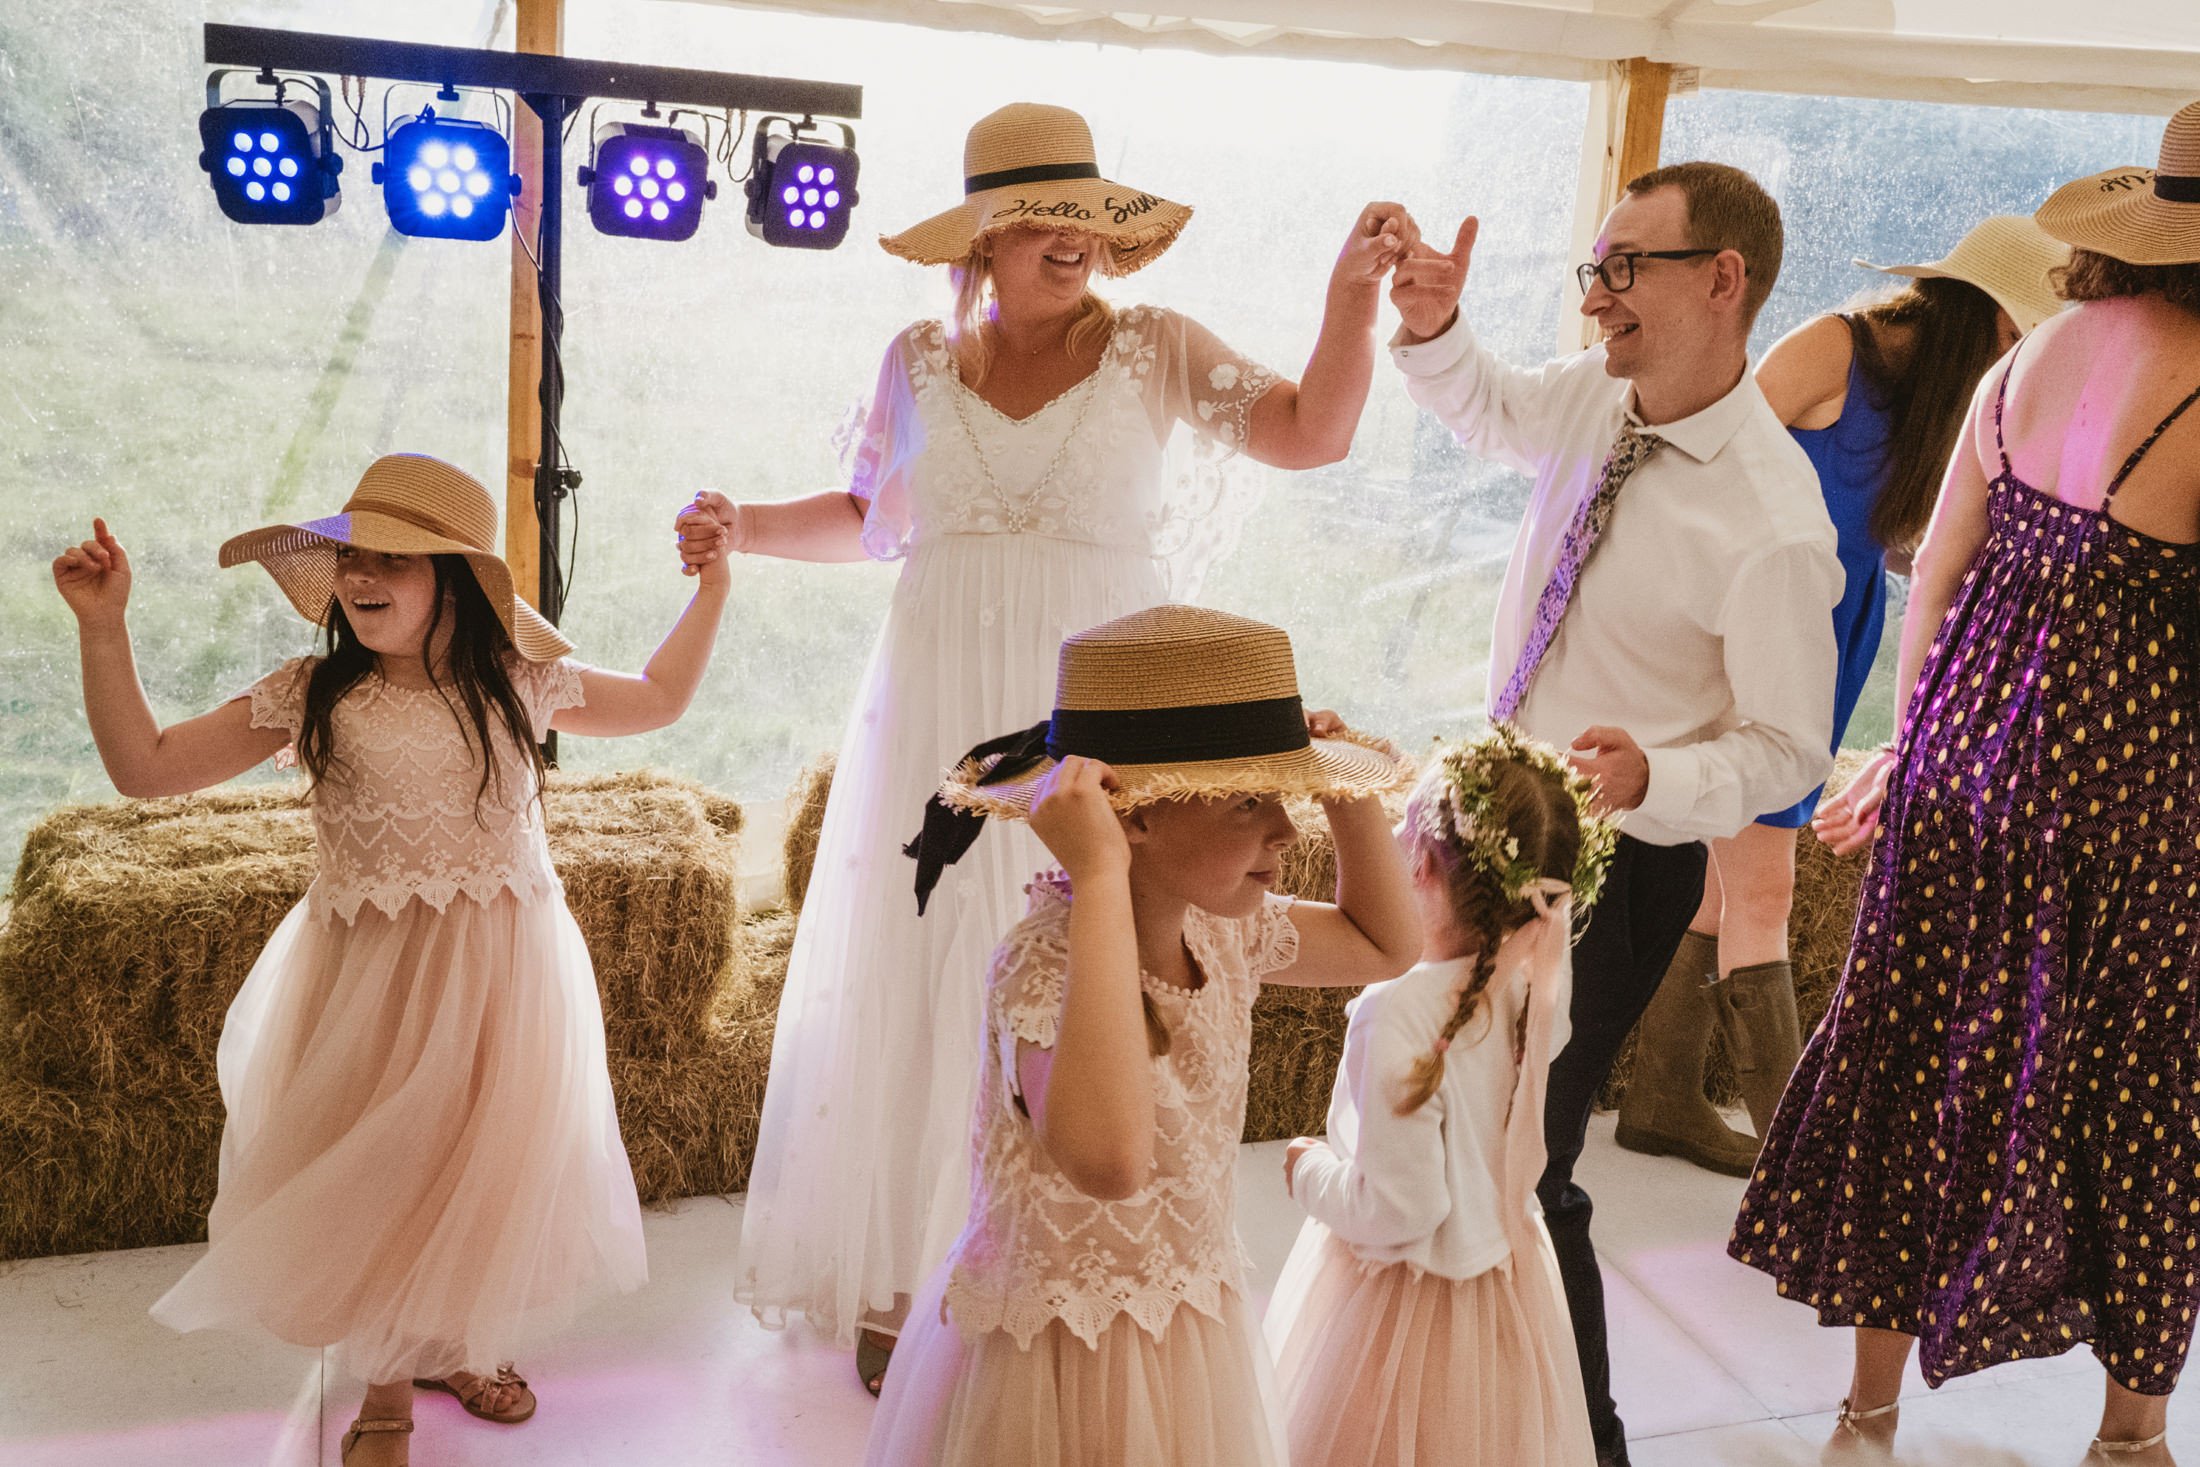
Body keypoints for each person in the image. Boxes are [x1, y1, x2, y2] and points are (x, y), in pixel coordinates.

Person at [676, 101, 1414, 1391]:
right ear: (982, 236)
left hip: (1105, 709)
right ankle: (914, 1264)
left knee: (1085, 942)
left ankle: (1085, 1246)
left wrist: (1351, 301)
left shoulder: (1155, 347)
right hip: (937, 702)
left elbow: (1310, 432)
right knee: (930, 963)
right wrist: (742, 525)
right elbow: (867, 515)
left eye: (1085, 209)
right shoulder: (913, 358)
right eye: (1037, 214)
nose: (1068, 232)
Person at [51, 454, 730, 1467]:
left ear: (453, 580)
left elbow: (662, 698)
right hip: (375, 983)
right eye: (354, 556)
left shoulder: (516, 681)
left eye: (395, 560)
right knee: (389, 1169)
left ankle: (456, 1340)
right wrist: (102, 627)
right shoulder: (315, 692)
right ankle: (384, 1392)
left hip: (507, 974)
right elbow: (145, 770)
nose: (363, 575)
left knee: (481, 1164)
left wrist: (716, 584)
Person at [1733, 101, 2200, 1466]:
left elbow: (1933, 572)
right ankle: (2129, 1432)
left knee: (1919, 1058)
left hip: (1966, 759)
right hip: (2133, 783)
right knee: (2134, 1086)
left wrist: (1919, 740)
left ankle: (1864, 1418)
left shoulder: (2032, 352)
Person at [1385, 163, 1843, 1465]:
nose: (1595, 296)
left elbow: (1785, 748)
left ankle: (1581, 1436)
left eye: (1624, 266)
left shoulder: (1773, 522)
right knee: (1449, 1131)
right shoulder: (1600, 394)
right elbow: (1489, 405)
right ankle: (1453, 1405)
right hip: (1485, 817)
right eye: (1593, 266)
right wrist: (1432, 327)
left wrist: (1653, 775)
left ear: (1723, 278)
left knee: (1526, 1157)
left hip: (1615, 867)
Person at [862, 603, 1422, 1467]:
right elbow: (1111, 1159)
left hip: (1186, 1325)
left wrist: (1342, 794)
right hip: (1057, 1357)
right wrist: (1097, 875)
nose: (1284, 826)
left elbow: (1389, 942)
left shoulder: (1224, 927)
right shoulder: (1042, 968)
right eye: (1249, 801)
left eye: (1286, 794)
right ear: (1134, 819)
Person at [1618, 215, 2070, 1177]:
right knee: (1769, 884)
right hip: (1766, 630)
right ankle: (1804, 1153)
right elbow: (1697, 457)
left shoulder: (1956, 397)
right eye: (2032, 331)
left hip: (1841, 627)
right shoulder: (1837, 348)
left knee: (1726, 870)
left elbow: (1900, 538)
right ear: (1995, 321)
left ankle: (1660, 1095)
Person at [1264, 727, 1616, 1467]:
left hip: (1401, 1310)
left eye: (1400, 827)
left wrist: (1310, 1169)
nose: (1389, 835)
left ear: (1420, 863)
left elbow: (1401, 1209)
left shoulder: (1398, 1009)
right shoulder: (1538, 977)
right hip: (1500, 1296)